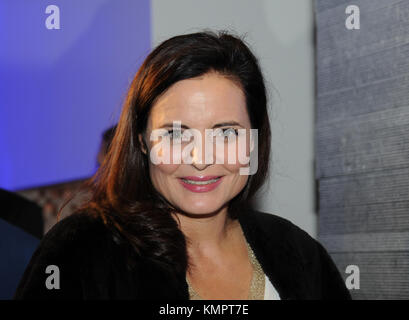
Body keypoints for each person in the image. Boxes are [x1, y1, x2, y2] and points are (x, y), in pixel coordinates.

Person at [14, 30, 351, 300]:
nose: (201, 159)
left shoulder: (296, 251)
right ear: (142, 141)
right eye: (176, 134)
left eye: (226, 132)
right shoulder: (82, 251)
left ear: (253, 141)